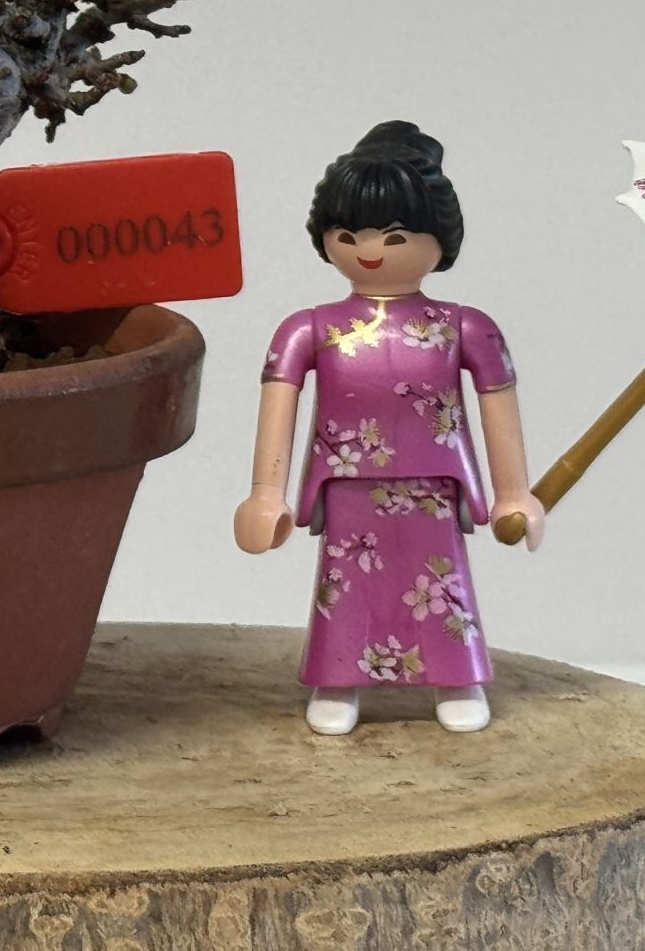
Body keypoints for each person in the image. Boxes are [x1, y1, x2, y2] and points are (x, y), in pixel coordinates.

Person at [233, 121, 545, 735]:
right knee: (345, 581)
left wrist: (514, 492)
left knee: (442, 578)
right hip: (345, 483)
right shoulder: (307, 328)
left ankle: (456, 676)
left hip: (436, 482)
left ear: (438, 240)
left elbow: (498, 409)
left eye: (395, 235)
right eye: (350, 235)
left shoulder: (466, 327)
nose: (371, 249)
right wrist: (265, 493)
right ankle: (337, 678)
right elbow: (279, 405)